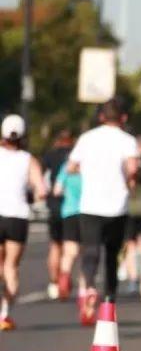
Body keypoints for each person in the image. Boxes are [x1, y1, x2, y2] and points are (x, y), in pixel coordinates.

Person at [67, 98, 140, 321]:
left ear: (101, 117)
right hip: (117, 205)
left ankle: (89, 285)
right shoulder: (128, 140)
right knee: (112, 254)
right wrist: (129, 182)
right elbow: (133, 168)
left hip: (90, 204)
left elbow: (71, 166)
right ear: (123, 118)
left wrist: (86, 170)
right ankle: (109, 297)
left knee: (90, 250)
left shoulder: (87, 138)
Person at [0, 114, 47, 329]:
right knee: (11, 266)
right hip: (17, 217)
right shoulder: (29, 159)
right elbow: (41, 191)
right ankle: (4, 314)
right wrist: (31, 196)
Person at [42, 127, 75, 300]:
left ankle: (55, 282)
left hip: (54, 206)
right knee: (70, 248)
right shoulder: (76, 156)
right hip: (73, 208)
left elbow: (45, 182)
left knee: (55, 245)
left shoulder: (49, 156)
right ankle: (65, 276)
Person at [121, 134, 141, 295]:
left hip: (133, 209)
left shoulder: (127, 165)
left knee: (134, 244)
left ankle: (137, 279)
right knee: (140, 244)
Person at [53, 164, 83, 314]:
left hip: (69, 211)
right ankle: (84, 290)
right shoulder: (92, 164)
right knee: (86, 252)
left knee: (69, 251)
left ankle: (64, 277)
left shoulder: (66, 167)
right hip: (88, 212)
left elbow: (57, 190)